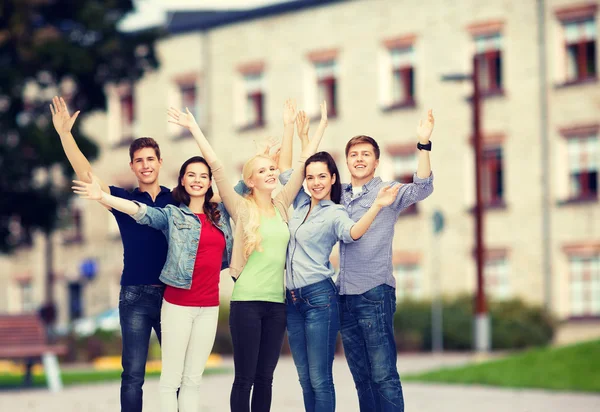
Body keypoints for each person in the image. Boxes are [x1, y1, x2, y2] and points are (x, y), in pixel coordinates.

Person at [166, 100, 327, 412]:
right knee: (245, 379)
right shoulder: (240, 207)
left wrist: (306, 127)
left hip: (276, 305)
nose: (270, 173)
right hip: (246, 304)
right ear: (251, 180)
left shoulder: (282, 205)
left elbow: (305, 162)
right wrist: (193, 127)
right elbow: (217, 167)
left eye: (272, 169)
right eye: (262, 170)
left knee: (266, 378)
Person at [72, 156, 233, 412]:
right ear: (181, 180)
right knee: (169, 381)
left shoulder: (220, 214)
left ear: (210, 181)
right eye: (191, 175)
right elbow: (140, 212)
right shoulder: (172, 213)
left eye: (203, 175)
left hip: (209, 307)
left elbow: (241, 192)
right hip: (178, 305)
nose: (197, 180)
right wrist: (102, 196)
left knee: (192, 380)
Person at [50, 96, 176, 412]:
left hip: (172, 296)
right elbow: (87, 175)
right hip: (134, 295)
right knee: (132, 374)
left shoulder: (177, 200)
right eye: (139, 160)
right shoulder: (122, 200)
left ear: (160, 162)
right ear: (132, 166)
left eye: (151, 158)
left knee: (177, 373)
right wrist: (66, 135)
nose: (146, 164)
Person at [277, 110, 400, 412]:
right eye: (310, 177)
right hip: (292, 299)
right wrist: (291, 129)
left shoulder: (335, 211)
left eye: (322, 176)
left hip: (319, 296)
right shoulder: (299, 203)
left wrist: (376, 206)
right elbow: (285, 170)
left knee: (320, 378)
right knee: (305, 378)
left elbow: (354, 233)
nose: (315, 182)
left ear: (333, 179)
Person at [338, 110, 436, 412]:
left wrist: (423, 144)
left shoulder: (388, 191)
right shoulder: (337, 195)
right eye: (353, 154)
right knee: (362, 377)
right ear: (347, 161)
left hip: (375, 294)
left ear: (376, 161)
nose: (359, 159)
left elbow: (423, 187)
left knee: (383, 375)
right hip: (343, 296)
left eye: (365, 154)